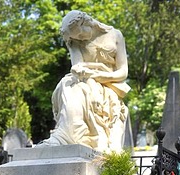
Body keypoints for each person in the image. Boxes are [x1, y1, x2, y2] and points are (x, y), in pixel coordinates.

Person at [39, 10, 130, 152]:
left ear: (87, 22)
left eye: (81, 34)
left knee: (80, 88)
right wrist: (88, 73)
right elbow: (78, 67)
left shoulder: (115, 35)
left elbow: (123, 72)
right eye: (77, 37)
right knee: (67, 85)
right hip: (85, 81)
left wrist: (100, 75)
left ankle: (71, 136)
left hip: (108, 84)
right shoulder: (75, 41)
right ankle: (64, 136)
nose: (80, 38)